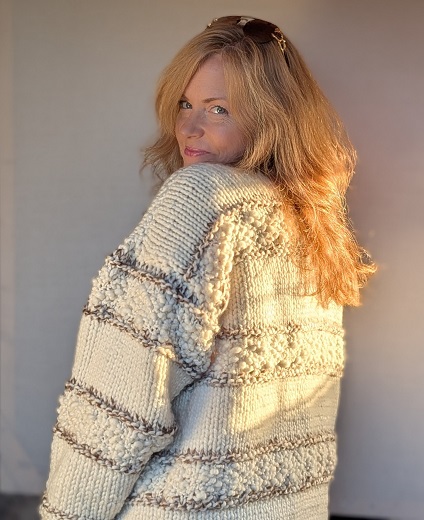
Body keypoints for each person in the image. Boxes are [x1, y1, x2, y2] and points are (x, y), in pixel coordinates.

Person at [40, 15, 375, 520]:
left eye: (218, 109)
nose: (189, 127)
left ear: (270, 118)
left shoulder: (200, 198)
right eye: (185, 104)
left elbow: (117, 406)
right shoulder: (312, 221)